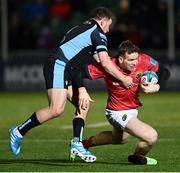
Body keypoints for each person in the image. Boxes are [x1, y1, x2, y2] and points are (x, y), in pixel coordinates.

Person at [9, 7, 133, 163]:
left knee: (83, 104)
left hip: (67, 67)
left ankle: (77, 143)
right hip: (60, 65)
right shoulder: (97, 32)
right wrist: (124, 78)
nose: (108, 30)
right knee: (56, 109)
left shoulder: (83, 28)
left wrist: (120, 68)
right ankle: (18, 132)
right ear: (103, 21)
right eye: (109, 25)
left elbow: (101, 61)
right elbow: (106, 63)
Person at [69, 40, 169, 165]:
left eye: (136, 59)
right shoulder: (109, 65)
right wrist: (81, 89)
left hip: (132, 109)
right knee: (151, 136)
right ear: (121, 59)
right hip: (117, 112)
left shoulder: (143, 59)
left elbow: (165, 71)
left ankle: (82, 145)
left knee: (119, 139)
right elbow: (76, 71)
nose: (135, 63)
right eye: (131, 60)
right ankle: (137, 158)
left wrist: (156, 87)